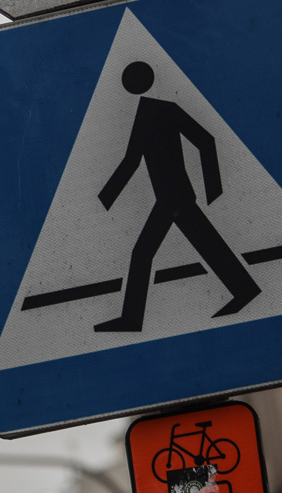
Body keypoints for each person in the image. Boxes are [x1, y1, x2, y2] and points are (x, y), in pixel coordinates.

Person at [94, 61, 259, 332]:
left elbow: (203, 141)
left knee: (143, 253)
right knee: (206, 245)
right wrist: (103, 201)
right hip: (173, 196)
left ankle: (132, 319)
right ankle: (245, 289)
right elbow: (133, 160)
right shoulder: (155, 111)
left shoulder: (154, 112)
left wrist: (214, 190)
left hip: (173, 197)